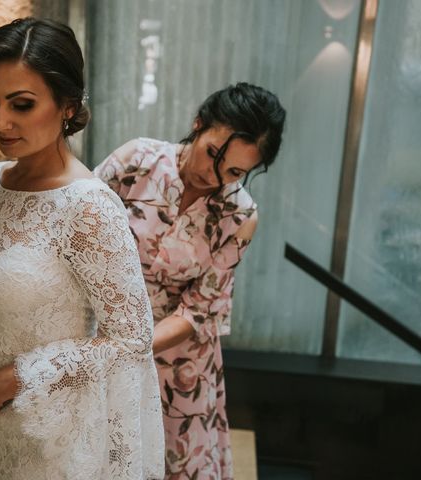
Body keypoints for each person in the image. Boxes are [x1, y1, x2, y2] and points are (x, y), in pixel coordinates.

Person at [0, 18, 164, 479]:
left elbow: (131, 338)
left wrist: (16, 378)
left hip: (52, 440)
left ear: (67, 104)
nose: (0, 122)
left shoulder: (88, 206)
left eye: (21, 104)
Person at [95, 82, 286, 479]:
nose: (213, 175)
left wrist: (129, 348)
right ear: (198, 125)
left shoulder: (241, 216)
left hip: (178, 359)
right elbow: (73, 223)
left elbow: (198, 310)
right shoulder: (136, 161)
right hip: (102, 333)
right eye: (212, 153)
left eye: (234, 171)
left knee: (172, 464)